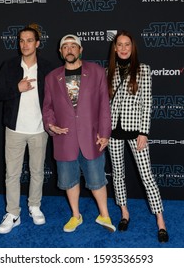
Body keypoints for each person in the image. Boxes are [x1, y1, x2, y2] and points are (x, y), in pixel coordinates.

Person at [43, 34, 115, 233]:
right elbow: (47, 107)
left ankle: (104, 215)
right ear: (60, 52)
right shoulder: (51, 77)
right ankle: (76, 216)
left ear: (80, 50)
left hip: (92, 137)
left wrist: (105, 133)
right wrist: (51, 124)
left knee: (97, 179)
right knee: (69, 181)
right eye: (65, 46)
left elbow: (104, 106)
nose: (69, 49)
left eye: (73, 46)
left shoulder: (97, 72)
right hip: (64, 138)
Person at [106, 30, 169, 242]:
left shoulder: (143, 70)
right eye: (120, 45)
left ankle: (160, 220)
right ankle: (124, 213)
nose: (123, 48)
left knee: (146, 176)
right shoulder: (108, 71)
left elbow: (147, 103)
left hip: (136, 132)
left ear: (133, 48)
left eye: (127, 45)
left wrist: (144, 131)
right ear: (115, 48)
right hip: (113, 131)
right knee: (117, 174)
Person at [0, 23, 54, 234]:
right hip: (15, 129)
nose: (25, 44)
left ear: (37, 43)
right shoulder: (8, 66)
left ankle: (34, 206)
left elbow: (56, 99)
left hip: (39, 130)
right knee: (12, 174)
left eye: (29, 40)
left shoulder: (47, 68)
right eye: (21, 40)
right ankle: (13, 213)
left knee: (37, 171)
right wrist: (16, 88)